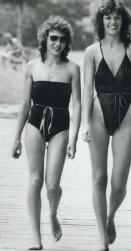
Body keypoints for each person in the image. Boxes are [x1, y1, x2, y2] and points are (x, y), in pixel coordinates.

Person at [82, 1, 131, 250]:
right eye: (107, 18)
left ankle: (110, 215)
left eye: (117, 18)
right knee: (98, 178)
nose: (112, 22)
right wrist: (84, 123)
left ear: (123, 21)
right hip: (97, 113)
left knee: (118, 183)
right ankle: (102, 237)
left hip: (128, 112)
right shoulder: (91, 51)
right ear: (101, 21)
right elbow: (85, 90)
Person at [11, 16, 81, 250]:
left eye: (62, 39)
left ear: (66, 42)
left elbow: (78, 104)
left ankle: (52, 214)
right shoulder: (32, 66)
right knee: (35, 179)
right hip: (34, 123)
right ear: (45, 38)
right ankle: (35, 236)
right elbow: (24, 104)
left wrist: (74, 137)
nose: (57, 43)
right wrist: (15, 138)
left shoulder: (72, 68)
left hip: (61, 124)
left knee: (52, 185)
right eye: (53, 38)